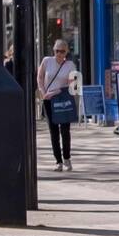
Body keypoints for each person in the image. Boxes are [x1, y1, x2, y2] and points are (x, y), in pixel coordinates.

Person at [38, 40, 77, 171]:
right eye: (57, 51)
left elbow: (74, 85)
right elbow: (40, 77)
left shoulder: (70, 65)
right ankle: (58, 161)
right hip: (49, 100)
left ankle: (67, 158)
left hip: (63, 99)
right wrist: (43, 93)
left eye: (62, 51)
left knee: (65, 130)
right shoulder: (46, 61)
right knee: (53, 131)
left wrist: (58, 91)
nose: (59, 54)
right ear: (53, 51)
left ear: (67, 52)